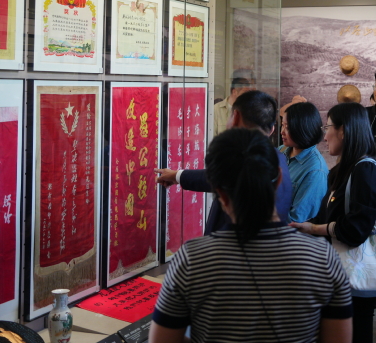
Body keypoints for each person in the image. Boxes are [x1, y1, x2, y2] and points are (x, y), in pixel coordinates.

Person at [149, 129, 353, 343]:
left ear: (219, 192)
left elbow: (162, 341)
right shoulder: (322, 258)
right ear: (279, 179)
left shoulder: (192, 259)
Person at [290, 102, 376, 343]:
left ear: (343, 130)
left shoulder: (365, 170)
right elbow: (326, 217)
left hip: (357, 274)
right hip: (338, 272)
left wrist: (315, 228)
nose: (325, 136)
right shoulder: (342, 170)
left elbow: (356, 229)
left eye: (328, 127)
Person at [155, 90, 293, 234]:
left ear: (236, 117)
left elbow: (224, 176)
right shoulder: (278, 158)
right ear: (272, 129)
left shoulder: (244, 157)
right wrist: (177, 176)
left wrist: (177, 176)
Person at [279, 101, 329, 222]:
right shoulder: (281, 150)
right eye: (282, 125)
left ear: (303, 128)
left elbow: (297, 220)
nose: (282, 131)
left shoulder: (316, 170)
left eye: (287, 127)